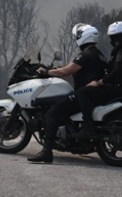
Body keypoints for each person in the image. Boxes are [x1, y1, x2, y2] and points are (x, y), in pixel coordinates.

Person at [27, 23, 108, 164]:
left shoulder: (85, 55)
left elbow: (66, 71)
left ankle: (46, 152)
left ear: (83, 37)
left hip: (84, 95)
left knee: (52, 113)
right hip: (94, 95)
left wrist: (46, 71)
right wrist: (54, 69)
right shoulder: (99, 54)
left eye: (77, 36)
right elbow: (71, 68)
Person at [74, 20, 122, 139]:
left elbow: (116, 72)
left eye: (118, 37)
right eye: (113, 37)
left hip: (118, 89)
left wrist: (100, 82)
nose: (115, 40)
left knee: (82, 92)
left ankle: (88, 127)